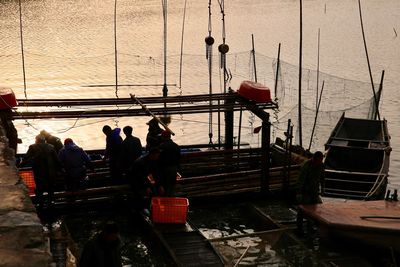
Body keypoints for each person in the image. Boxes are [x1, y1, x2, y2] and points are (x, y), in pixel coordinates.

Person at [19, 135, 60, 208]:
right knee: (50, 188)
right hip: (50, 172)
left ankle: (40, 204)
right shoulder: (51, 147)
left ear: (36, 140)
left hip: (39, 172)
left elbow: (26, 158)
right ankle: (50, 203)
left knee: (39, 189)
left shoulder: (33, 147)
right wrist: (59, 169)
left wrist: (20, 166)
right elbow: (57, 160)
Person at [296, 151, 325, 233]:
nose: (320, 162)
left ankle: (311, 227)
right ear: (314, 159)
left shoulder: (321, 166)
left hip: (315, 191)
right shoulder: (306, 165)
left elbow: (322, 178)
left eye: (321, 160)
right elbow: (300, 180)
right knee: (303, 209)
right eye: (319, 160)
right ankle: (299, 228)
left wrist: (323, 188)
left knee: (316, 208)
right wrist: (299, 193)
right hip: (305, 191)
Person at [157, 130, 181, 196]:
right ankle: (171, 198)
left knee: (164, 186)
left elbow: (158, 159)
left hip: (164, 169)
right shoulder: (176, 146)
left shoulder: (161, 146)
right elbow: (179, 158)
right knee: (172, 186)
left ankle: (165, 200)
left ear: (163, 137)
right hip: (174, 169)